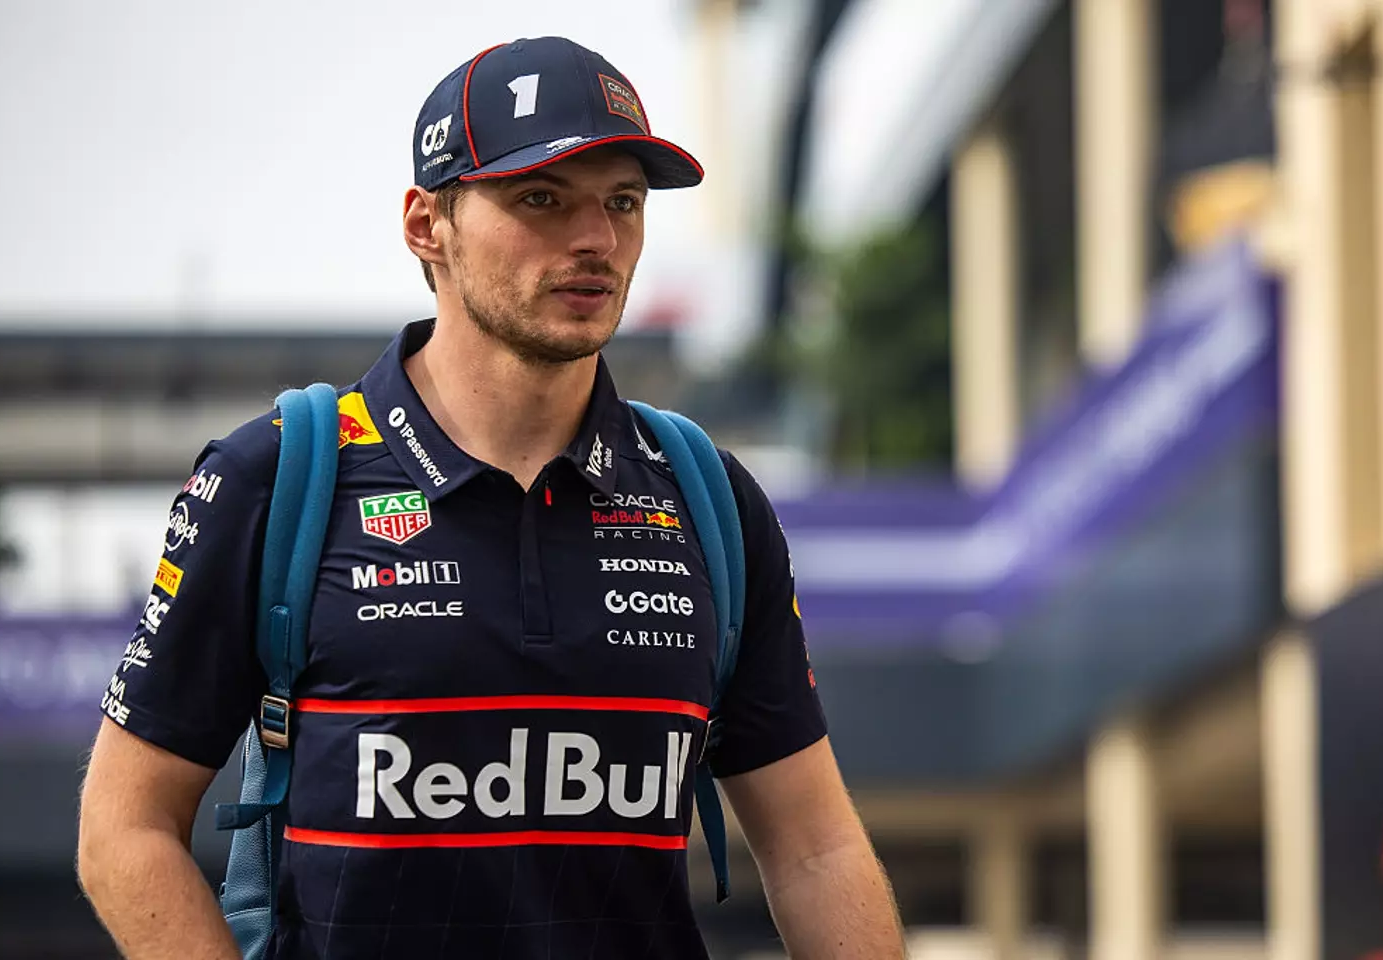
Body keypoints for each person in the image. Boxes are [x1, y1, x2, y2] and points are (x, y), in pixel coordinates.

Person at [77, 36, 903, 959]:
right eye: (540, 200)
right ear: (428, 226)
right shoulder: (274, 478)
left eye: (623, 203)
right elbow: (126, 829)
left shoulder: (707, 497)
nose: (596, 239)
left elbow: (814, 849)